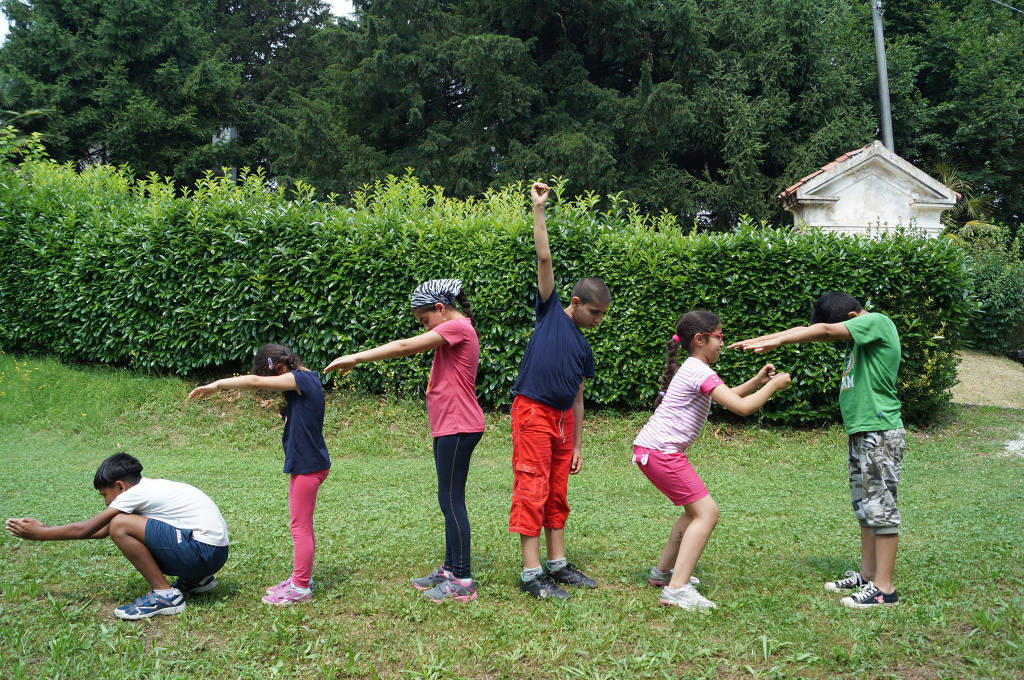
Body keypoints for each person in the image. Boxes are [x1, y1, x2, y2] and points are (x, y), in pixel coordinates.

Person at [730, 292, 905, 609]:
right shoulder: (860, 337)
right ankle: (868, 576)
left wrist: (777, 342)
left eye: (836, 329)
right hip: (862, 431)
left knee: (881, 507)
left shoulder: (877, 323)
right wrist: (769, 338)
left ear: (852, 318)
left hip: (880, 430)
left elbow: (823, 331)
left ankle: (885, 588)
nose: (832, 337)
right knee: (866, 508)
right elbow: (821, 331)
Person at [324, 279, 485, 602]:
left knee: (452, 501)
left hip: (458, 425)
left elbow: (403, 346)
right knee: (447, 500)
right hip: (450, 426)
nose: (425, 329)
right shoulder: (455, 329)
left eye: (425, 322)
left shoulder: (458, 328)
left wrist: (356, 357)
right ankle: (450, 569)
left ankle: (463, 581)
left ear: (440, 308)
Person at [635, 310, 790, 610]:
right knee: (707, 513)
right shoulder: (698, 370)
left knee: (694, 512)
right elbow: (743, 409)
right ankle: (676, 590)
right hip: (662, 452)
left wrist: (758, 380)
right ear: (700, 339)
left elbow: (730, 397)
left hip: (651, 451)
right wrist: (773, 386)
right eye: (719, 337)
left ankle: (664, 573)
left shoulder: (695, 368)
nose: (722, 343)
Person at [509, 181, 611, 600]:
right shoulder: (551, 312)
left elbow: (578, 398)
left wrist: (578, 445)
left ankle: (557, 564)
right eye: (594, 312)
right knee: (531, 486)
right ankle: (532, 573)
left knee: (556, 492)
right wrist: (539, 209)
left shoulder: (583, 349)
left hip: (562, 423)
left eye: (603, 315)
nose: (598, 320)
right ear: (574, 301)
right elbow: (544, 257)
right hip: (531, 411)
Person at [5, 452, 229, 620]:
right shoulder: (151, 488)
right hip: (212, 554)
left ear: (120, 486)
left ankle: (165, 595)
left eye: (105, 495)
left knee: (120, 524)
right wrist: (46, 528)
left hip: (202, 552)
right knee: (118, 524)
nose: (106, 502)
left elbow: (90, 528)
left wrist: (40, 534)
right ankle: (197, 579)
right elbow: (101, 530)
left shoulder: (136, 494)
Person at [189, 344, 330, 606]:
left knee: (300, 527)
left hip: (308, 466)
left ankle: (300, 588)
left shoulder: (302, 379)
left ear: (279, 368)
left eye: (271, 380)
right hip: (307, 464)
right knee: (299, 525)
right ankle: (301, 579)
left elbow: (254, 382)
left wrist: (216, 385)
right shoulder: (305, 381)